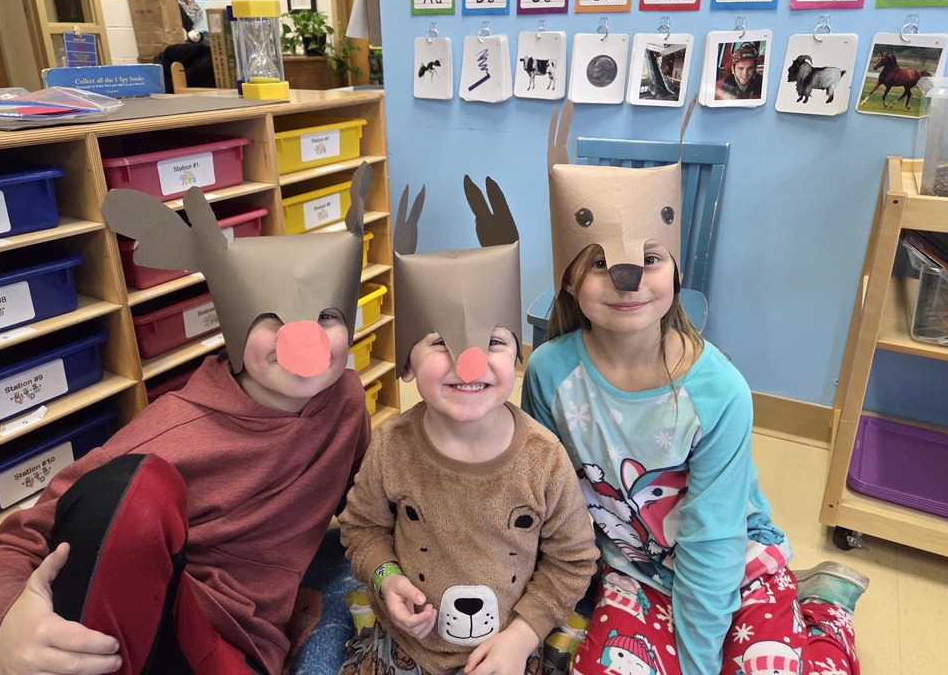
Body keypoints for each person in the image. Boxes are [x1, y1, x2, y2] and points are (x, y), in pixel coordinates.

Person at [0, 169, 374, 675]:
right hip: (150, 623)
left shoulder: (345, 399)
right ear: (233, 323)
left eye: (326, 315)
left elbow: (367, 499)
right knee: (135, 488)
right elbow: (18, 543)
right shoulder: (172, 432)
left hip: (246, 643)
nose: (305, 338)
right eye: (270, 319)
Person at [519, 102, 869, 675]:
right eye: (601, 263)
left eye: (649, 259)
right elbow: (545, 492)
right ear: (570, 280)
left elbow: (713, 538)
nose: (627, 280)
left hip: (732, 557)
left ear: (675, 271)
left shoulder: (719, 392)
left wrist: (697, 661)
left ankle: (826, 614)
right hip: (631, 571)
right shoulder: (550, 374)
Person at [339, 177, 599, 675]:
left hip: (505, 654)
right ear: (407, 363)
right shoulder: (392, 444)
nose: (470, 362)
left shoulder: (542, 458)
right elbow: (361, 528)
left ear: (518, 357)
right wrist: (387, 578)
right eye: (440, 342)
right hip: (405, 648)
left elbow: (574, 559)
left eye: (494, 342)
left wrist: (521, 637)